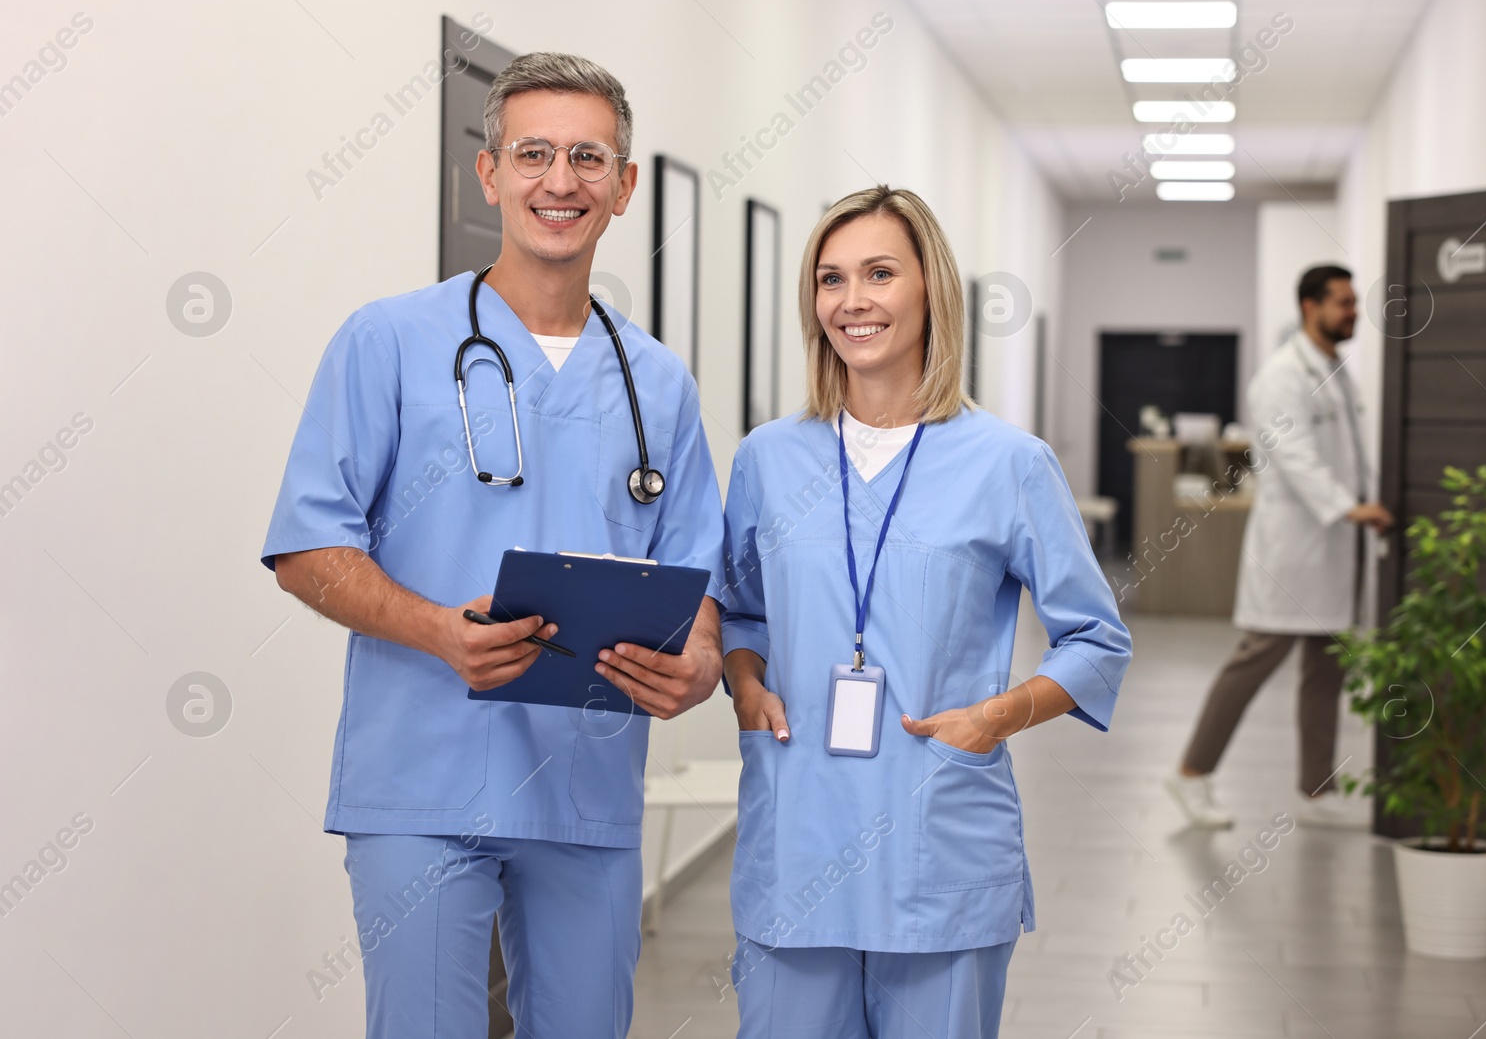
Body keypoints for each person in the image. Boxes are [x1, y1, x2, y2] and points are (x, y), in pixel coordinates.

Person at [260, 53, 724, 1038]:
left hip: (583, 784)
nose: (562, 181)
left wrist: (702, 663)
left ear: (625, 185)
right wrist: (435, 628)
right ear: (489, 173)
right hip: (422, 776)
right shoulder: (386, 341)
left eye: (589, 158)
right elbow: (308, 543)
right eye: (535, 154)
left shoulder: (658, 383)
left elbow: (697, 576)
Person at [718, 186, 1131, 1039]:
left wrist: (997, 715)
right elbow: (740, 610)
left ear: (930, 291)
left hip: (936, 834)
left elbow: (1096, 640)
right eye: (831, 279)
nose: (852, 300)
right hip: (799, 830)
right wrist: (744, 678)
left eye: (879, 273)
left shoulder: (1008, 463)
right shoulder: (768, 457)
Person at [1166, 264, 1392, 830]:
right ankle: (1191, 773)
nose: (1353, 313)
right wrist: (1347, 506)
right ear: (1308, 306)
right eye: (1342, 303)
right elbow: (1293, 456)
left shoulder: (1335, 371)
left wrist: (1356, 504)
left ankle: (1318, 789)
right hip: (1297, 549)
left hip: (1335, 548)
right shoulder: (1281, 376)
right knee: (1253, 663)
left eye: (1353, 302)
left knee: (1327, 669)